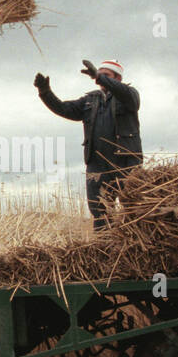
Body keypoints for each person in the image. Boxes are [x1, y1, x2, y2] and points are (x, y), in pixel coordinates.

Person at [34, 59, 142, 231]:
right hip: (97, 163)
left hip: (126, 161)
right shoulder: (90, 100)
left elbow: (128, 97)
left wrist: (98, 76)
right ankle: (104, 249)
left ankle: (133, 245)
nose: (99, 80)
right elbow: (64, 108)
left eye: (106, 76)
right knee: (99, 210)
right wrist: (45, 92)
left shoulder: (129, 95)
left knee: (132, 206)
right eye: (100, 75)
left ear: (118, 78)